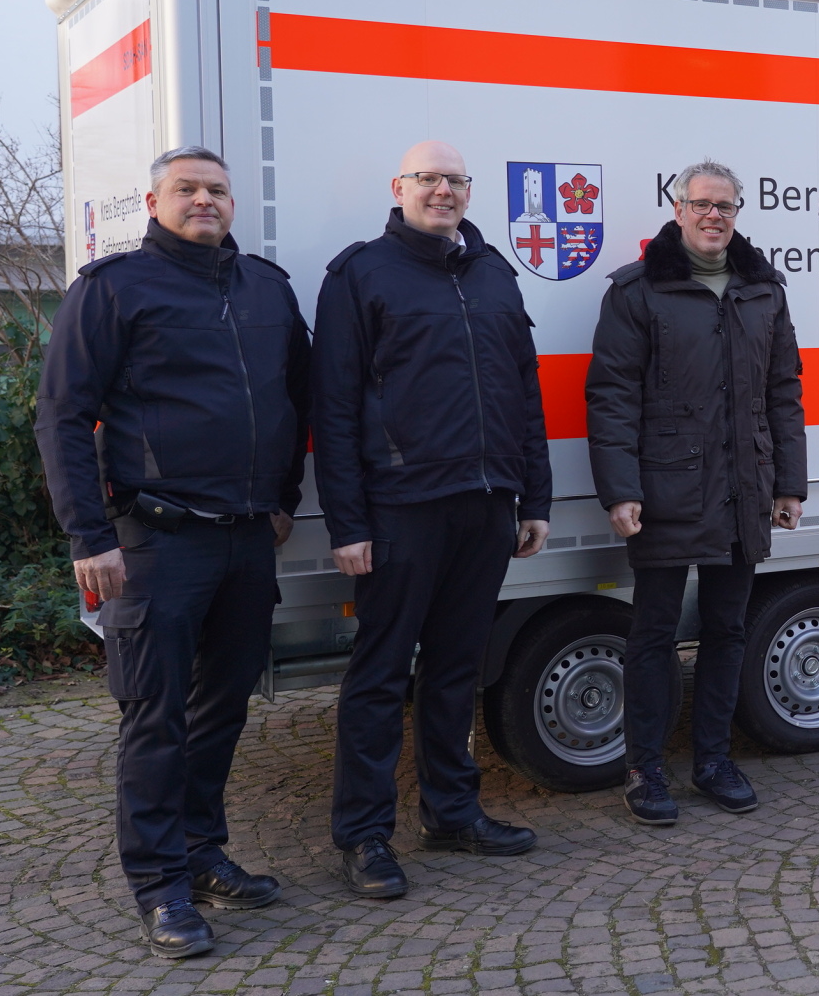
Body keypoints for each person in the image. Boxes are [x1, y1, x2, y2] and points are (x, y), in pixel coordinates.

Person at [34, 145, 309, 959]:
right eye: (186, 189)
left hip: (247, 539)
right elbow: (62, 415)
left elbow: (300, 398)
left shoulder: (267, 288)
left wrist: (285, 498)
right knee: (156, 716)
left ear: (233, 202)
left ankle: (200, 850)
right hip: (157, 540)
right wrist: (89, 535)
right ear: (154, 202)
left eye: (217, 189)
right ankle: (160, 886)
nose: (204, 200)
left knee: (221, 708)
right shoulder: (113, 288)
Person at [312, 140, 551, 898]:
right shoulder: (361, 274)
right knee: (381, 675)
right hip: (400, 507)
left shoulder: (494, 273)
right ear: (399, 187)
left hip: (486, 504)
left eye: (454, 180)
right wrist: (347, 522)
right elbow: (333, 405)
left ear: (469, 191)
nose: (442, 190)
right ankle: (363, 836)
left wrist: (534, 497)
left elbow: (524, 390)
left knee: (454, 670)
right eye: (428, 179)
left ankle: (451, 813)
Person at [587, 159, 807, 823]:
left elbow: (784, 392)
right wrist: (620, 489)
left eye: (726, 206)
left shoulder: (763, 289)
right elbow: (612, 396)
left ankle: (713, 760)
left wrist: (789, 482)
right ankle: (645, 769)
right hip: (665, 490)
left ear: (738, 213)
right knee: (653, 632)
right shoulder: (638, 290)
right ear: (678, 208)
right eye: (702, 204)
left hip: (744, 487)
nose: (714, 215)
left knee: (727, 629)